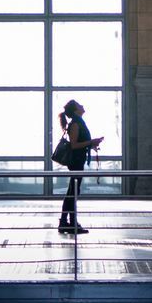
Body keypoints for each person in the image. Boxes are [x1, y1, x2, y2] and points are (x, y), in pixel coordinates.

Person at [57, 99, 103, 235]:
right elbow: (74, 145)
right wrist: (91, 142)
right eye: (79, 105)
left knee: (72, 192)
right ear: (76, 110)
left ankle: (67, 222)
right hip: (76, 161)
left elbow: (78, 143)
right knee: (73, 192)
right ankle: (68, 223)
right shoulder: (76, 124)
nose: (82, 105)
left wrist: (92, 144)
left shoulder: (77, 122)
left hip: (78, 160)